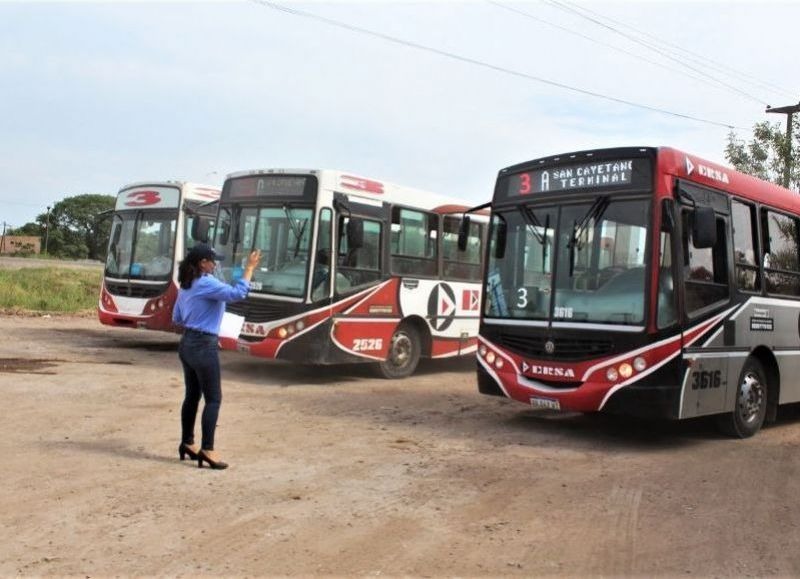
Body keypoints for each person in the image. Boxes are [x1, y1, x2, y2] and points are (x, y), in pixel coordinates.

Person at [173, 243, 261, 470]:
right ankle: (208, 449)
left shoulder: (186, 284)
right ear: (203, 263)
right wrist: (249, 268)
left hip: (187, 343)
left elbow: (177, 316)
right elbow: (238, 293)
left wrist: (201, 318)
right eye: (213, 261)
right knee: (213, 399)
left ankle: (187, 443)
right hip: (204, 345)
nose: (216, 264)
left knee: (192, 396)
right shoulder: (207, 282)